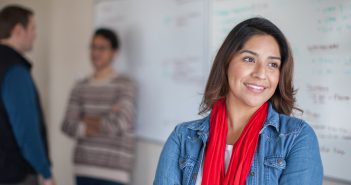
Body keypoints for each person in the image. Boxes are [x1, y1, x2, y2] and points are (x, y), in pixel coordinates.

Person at [153, 17, 323, 185]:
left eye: (272, 64)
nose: (261, 74)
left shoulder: (296, 137)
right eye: (249, 59)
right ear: (227, 62)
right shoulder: (183, 137)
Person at [62, 28, 136, 185]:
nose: (95, 52)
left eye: (102, 48)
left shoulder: (125, 85)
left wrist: (83, 119)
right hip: (83, 169)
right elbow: (67, 125)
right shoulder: (80, 87)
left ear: (115, 52)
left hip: (115, 173)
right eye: (93, 47)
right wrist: (107, 116)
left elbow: (121, 123)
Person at [0, 5, 55, 185]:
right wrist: (45, 172)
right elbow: (26, 129)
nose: (35, 34)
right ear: (18, 30)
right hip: (15, 174)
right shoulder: (14, 70)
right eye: (32, 28)